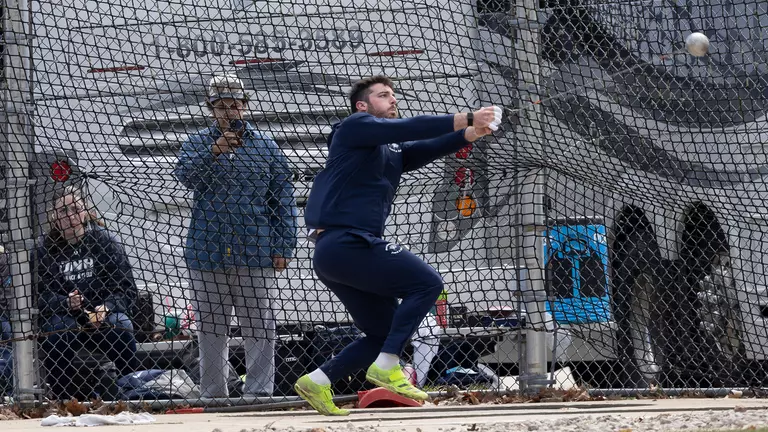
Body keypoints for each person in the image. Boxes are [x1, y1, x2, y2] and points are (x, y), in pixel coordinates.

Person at [295, 75, 502, 415]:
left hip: (338, 254)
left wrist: (471, 133)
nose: (392, 100)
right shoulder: (354, 127)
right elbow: (410, 129)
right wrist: (469, 117)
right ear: (363, 105)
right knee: (428, 283)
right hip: (346, 243)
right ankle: (388, 365)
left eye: (393, 95)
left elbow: (424, 147)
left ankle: (317, 381)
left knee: (384, 332)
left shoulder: (387, 151)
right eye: (383, 95)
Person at [173, 73, 298, 398]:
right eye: (222, 106)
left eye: (235, 105)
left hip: (255, 251)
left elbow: (282, 197)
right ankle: (213, 395)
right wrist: (214, 151)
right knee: (211, 331)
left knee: (260, 329)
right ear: (211, 109)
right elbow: (186, 177)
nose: (229, 112)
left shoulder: (267, 147)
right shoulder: (196, 144)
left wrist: (283, 245)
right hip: (206, 252)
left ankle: (259, 393)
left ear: (245, 106)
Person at [36, 185, 139, 400]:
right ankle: (63, 397)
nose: (70, 216)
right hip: (64, 317)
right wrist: (65, 303)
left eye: (75, 209)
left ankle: (130, 390)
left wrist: (107, 307)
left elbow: (127, 289)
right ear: (54, 216)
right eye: (63, 211)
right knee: (57, 333)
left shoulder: (104, 242)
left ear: (86, 212)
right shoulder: (43, 249)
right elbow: (38, 296)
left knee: (122, 326)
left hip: (102, 315)